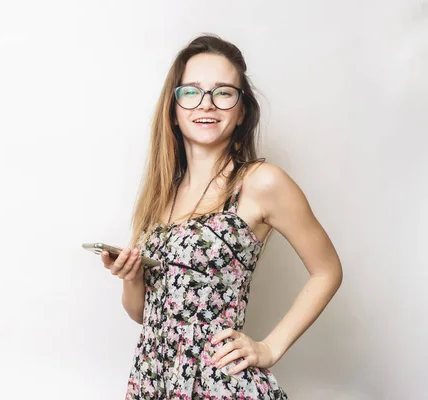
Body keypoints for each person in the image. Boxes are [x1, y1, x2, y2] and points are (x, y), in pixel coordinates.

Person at [100, 34, 343, 399]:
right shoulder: (160, 194)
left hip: (219, 384)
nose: (207, 104)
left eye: (223, 92)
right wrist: (131, 278)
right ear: (174, 107)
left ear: (242, 110)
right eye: (192, 91)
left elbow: (328, 270)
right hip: (154, 380)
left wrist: (270, 347)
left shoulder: (260, 182)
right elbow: (143, 315)